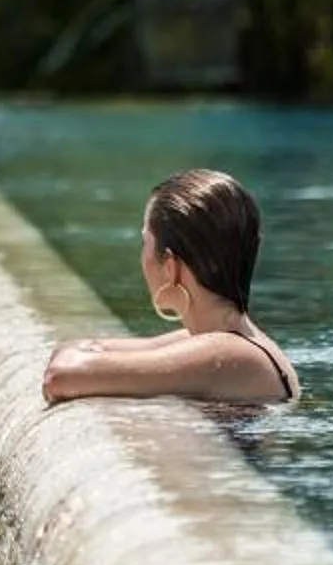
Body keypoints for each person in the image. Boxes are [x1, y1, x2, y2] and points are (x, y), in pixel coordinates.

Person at [42, 168, 299, 405]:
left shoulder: (226, 352)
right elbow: (80, 349)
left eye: (145, 242)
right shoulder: (217, 340)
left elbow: (62, 376)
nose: (142, 257)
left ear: (171, 266)